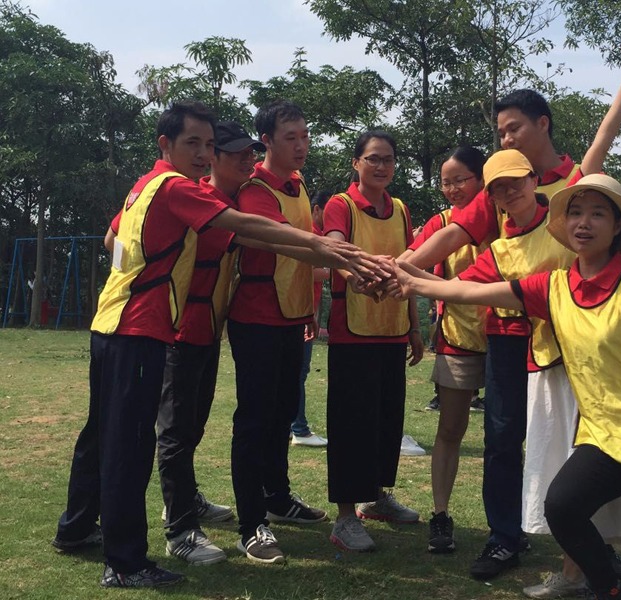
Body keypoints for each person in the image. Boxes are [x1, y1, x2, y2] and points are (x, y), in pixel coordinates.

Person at [389, 173, 621, 600]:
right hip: (604, 439)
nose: (584, 222)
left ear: (617, 226)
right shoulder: (553, 286)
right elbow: (463, 290)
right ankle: (608, 589)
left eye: (597, 213)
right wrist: (406, 276)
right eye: (575, 213)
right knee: (562, 507)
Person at [51, 101, 377, 588]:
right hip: (142, 329)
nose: (205, 154)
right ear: (165, 144)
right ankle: (126, 562)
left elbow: (113, 241)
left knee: (103, 436)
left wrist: (138, 273)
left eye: (209, 144)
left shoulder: (147, 184)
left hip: (115, 324)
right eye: (195, 144)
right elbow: (246, 228)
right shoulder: (181, 189)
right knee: (131, 446)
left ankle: (76, 528)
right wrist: (324, 245)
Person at [402, 45, 621, 583]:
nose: (506, 139)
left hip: (569, 338)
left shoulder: (573, 182)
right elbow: (452, 237)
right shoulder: (499, 187)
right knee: (502, 435)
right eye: (500, 133)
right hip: (508, 333)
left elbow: (605, 136)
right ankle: (504, 537)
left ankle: (588, 543)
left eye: (513, 128)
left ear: (542, 124)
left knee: (578, 437)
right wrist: (399, 269)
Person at [153, 121, 265, 566]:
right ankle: (179, 527)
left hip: (207, 330)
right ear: (214, 160)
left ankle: (186, 499)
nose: (246, 160)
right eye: (234, 153)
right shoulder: (194, 198)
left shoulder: (233, 200)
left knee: (194, 424)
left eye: (250, 153)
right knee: (176, 431)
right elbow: (116, 238)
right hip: (179, 330)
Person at [226, 101, 329, 565]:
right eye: (291, 137)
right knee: (255, 420)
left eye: (305, 135)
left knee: (283, 413)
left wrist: (308, 309)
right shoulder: (256, 189)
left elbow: (301, 257)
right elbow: (289, 239)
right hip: (256, 320)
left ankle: (278, 497)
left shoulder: (297, 183)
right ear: (266, 141)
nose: (301, 145)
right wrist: (342, 255)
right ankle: (251, 525)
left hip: (292, 318)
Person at [325, 130, 424, 552]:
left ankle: (376, 497)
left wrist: (415, 327)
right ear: (356, 163)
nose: (381, 166)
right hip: (353, 331)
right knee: (351, 423)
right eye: (373, 159)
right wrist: (354, 275)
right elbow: (333, 247)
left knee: (386, 420)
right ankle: (345, 517)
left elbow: (409, 269)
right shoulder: (341, 204)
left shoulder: (399, 209)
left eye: (388, 159)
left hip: (392, 329)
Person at [405, 145, 490, 553]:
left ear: (482, 180)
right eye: (445, 182)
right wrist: (380, 270)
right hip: (458, 338)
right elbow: (410, 259)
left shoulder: (507, 218)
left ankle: (507, 523)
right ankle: (440, 515)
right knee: (451, 430)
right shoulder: (440, 223)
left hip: (510, 338)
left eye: (460, 180)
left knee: (506, 438)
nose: (452, 189)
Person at [291, 190, 332, 448]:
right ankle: (300, 429)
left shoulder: (318, 235)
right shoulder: (311, 235)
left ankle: (292, 425)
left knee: (297, 371)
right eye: (329, 211)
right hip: (299, 313)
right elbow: (306, 271)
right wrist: (335, 269)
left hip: (307, 312)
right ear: (316, 209)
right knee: (299, 371)